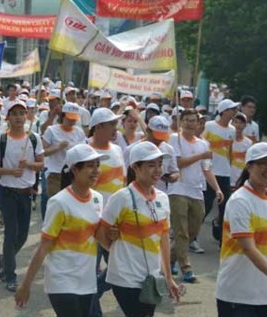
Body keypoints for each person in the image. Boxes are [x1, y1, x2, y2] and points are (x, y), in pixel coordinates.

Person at [15, 144, 106, 316]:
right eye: (89, 166)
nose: (95, 171)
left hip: (87, 281)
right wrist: (26, 285)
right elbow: (43, 246)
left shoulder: (98, 199)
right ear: (74, 170)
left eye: (97, 165)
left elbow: (99, 237)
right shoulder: (59, 202)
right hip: (62, 281)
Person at [97, 142, 181, 316]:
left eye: (159, 164)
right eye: (151, 165)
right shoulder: (122, 198)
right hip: (124, 278)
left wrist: (168, 276)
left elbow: (164, 238)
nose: (158, 170)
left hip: (151, 277)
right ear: (135, 167)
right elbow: (100, 232)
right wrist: (116, 251)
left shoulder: (163, 199)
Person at [216, 142, 267, 316]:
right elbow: (248, 247)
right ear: (249, 166)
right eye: (263, 164)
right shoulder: (241, 200)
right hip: (239, 295)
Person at [0, 100, 44, 292]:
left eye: (22, 113)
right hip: (7, 192)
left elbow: (41, 164)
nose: (19, 117)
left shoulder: (34, 138)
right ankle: (10, 275)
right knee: (11, 233)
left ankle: (5, 258)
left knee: (23, 235)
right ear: (8, 117)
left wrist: (28, 165)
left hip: (26, 193)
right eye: (15, 113)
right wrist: (11, 171)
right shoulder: (0, 139)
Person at [168, 108, 223, 283]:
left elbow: (206, 169)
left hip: (197, 191)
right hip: (178, 190)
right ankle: (186, 268)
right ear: (181, 122)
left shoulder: (203, 144)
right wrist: (201, 155)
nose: (191, 124)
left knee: (193, 231)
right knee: (181, 232)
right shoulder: (174, 139)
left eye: (194, 121)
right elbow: (178, 163)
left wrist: (217, 189)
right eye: (187, 120)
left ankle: (168, 260)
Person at [201, 98, 238, 247]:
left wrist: (230, 169)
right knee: (207, 205)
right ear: (223, 111)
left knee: (225, 207)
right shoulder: (210, 126)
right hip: (211, 172)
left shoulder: (232, 130)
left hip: (225, 173)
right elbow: (202, 145)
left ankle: (224, 239)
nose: (234, 112)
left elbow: (229, 152)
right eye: (232, 109)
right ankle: (193, 235)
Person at [230, 113, 253, 191]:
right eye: (236, 122)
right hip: (227, 180)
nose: (238, 125)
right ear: (231, 123)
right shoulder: (227, 140)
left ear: (245, 125)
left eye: (241, 123)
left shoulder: (249, 143)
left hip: (241, 181)